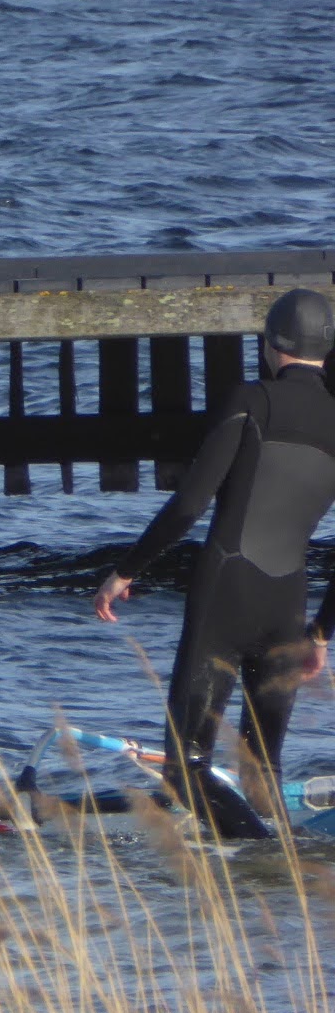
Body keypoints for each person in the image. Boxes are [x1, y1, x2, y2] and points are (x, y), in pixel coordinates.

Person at [93, 289, 335, 838]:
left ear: (270, 343)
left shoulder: (251, 399)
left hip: (227, 592)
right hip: (288, 604)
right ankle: (278, 874)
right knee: (262, 769)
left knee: (187, 767)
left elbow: (189, 504)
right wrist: (321, 632)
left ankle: (264, 851)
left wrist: (126, 571)